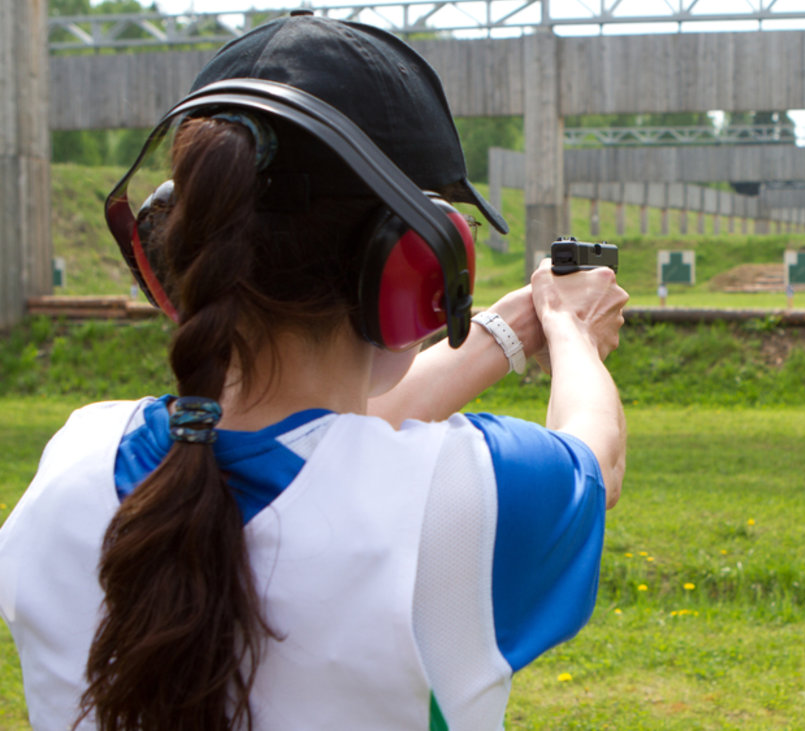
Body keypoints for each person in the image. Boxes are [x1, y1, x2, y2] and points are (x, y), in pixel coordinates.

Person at [0, 13, 627, 731]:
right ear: (411, 269)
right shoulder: (458, 502)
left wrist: (514, 328)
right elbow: (594, 461)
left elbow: (323, 448)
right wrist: (570, 328)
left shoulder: (70, 467)